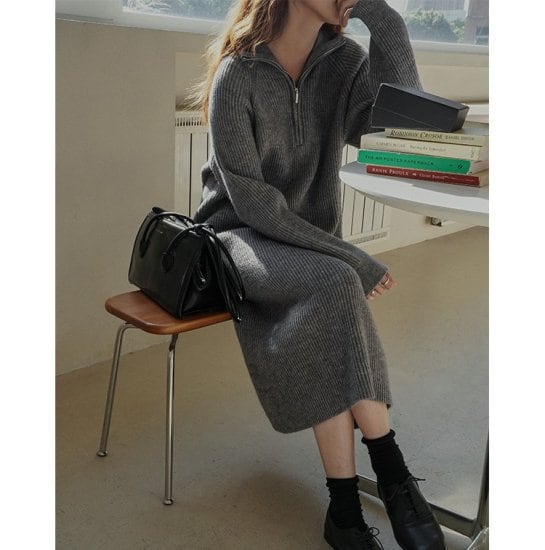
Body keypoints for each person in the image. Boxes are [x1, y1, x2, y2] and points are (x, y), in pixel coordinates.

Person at [187, 1, 447, 548]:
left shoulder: (345, 62)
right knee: (336, 281)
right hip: (238, 238)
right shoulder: (238, 73)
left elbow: (401, 128)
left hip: (307, 240)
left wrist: (386, 20)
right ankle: (394, 473)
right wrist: (349, 255)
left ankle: (345, 514)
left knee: (330, 297)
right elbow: (254, 206)